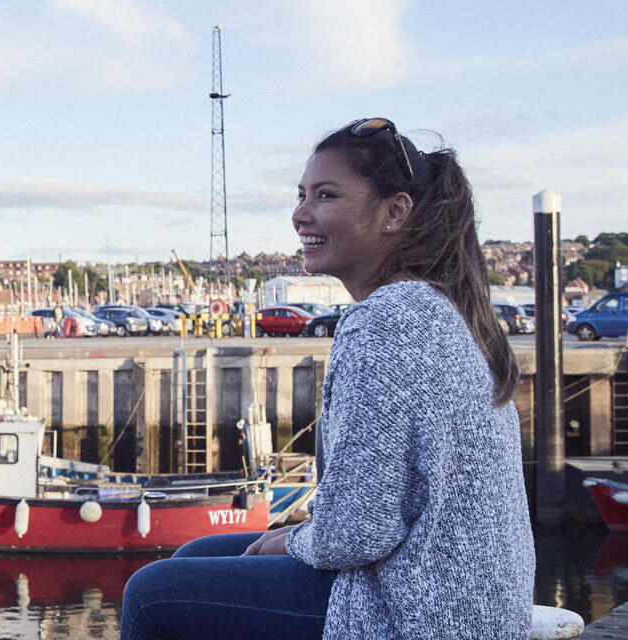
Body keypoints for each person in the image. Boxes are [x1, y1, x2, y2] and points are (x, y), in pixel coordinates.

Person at [120, 117, 534, 640]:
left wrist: (296, 540)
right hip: (465, 600)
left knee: (152, 594)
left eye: (326, 195)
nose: (300, 214)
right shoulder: (434, 307)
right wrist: (303, 537)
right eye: (302, 195)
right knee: (198, 555)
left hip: (422, 614)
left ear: (395, 212)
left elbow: (360, 531)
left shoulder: (388, 320)